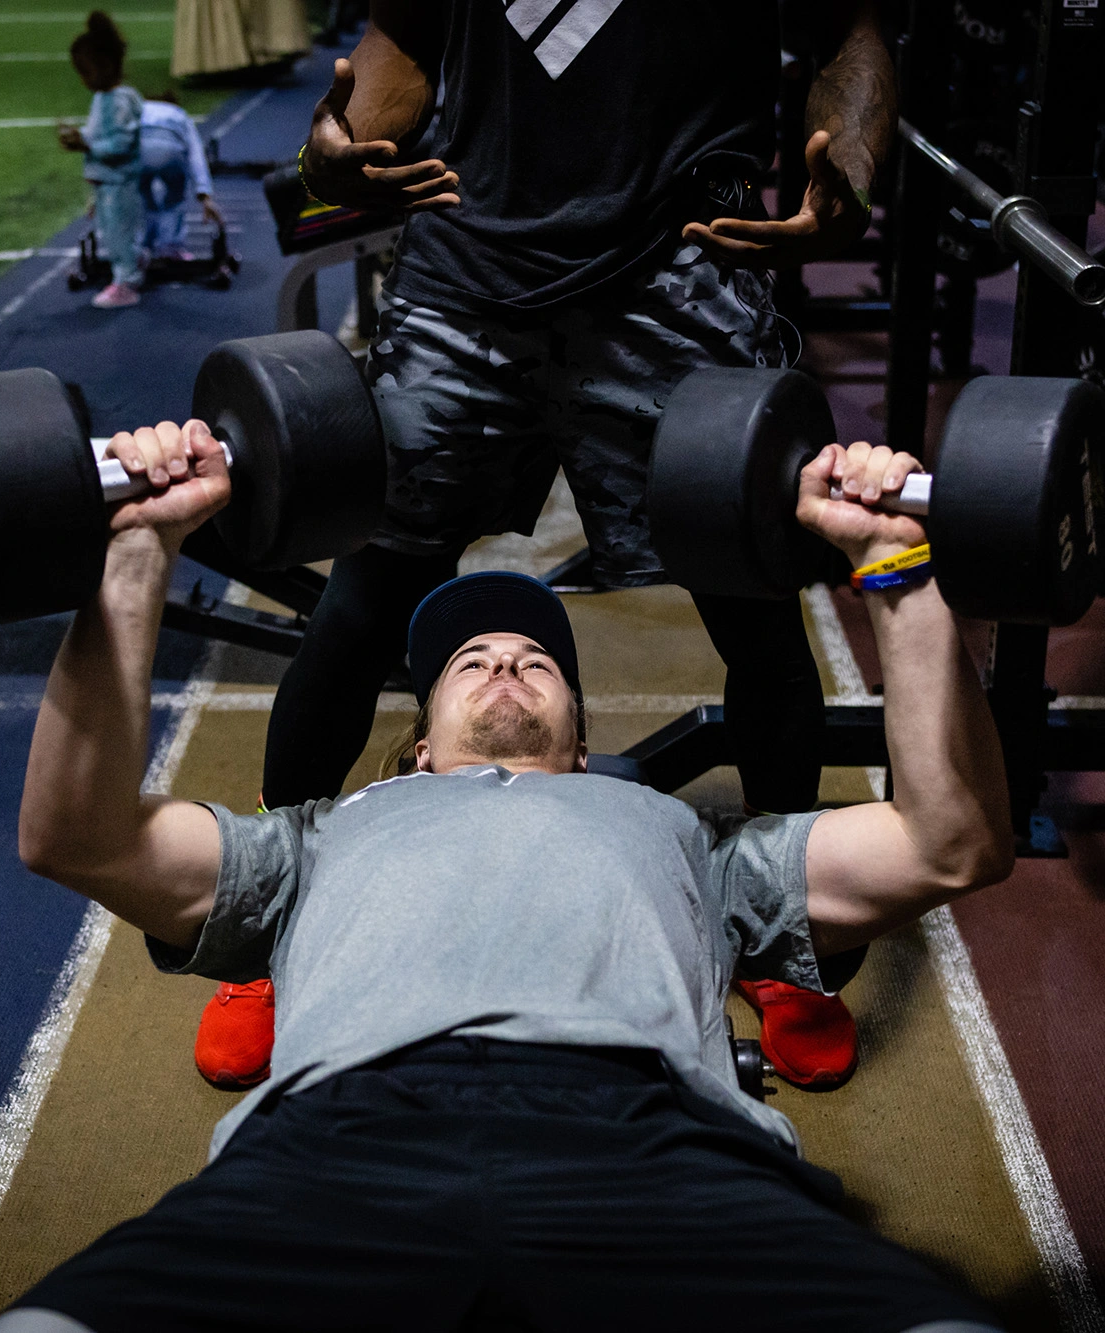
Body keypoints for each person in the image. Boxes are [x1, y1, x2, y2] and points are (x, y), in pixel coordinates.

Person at [0, 412, 1015, 1332]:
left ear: (579, 748)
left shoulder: (682, 835)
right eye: (468, 660)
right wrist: (133, 557)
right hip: (338, 1147)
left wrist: (897, 565)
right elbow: (76, 837)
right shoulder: (317, 837)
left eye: (535, 660)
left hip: (653, 1146)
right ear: (421, 747)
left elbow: (950, 841)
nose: (503, 663)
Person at [196, 0, 898, 1092]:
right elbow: (393, 70)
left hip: (679, 273)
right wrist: (330, 156)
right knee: (367, 597)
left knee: (753, 610)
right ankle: (263, 925)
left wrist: (847, 165)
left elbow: (843, 29)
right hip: (468, 283)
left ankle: (783, 938)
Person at [58, 12, 146, 309]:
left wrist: (86, 143)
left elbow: (120, 144)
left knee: (117, 234)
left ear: (105, 66)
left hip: (118, 181)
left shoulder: (119, 100)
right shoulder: (103, 97)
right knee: (113, 232)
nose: (83, 80)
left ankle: (127, 282)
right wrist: (80, 137)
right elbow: (100, 134)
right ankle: (134, 261)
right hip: (108, 180)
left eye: (86, 72)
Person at [138, 95, 225, 260]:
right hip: (170, 149)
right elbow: (195, 153)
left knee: (141, 195)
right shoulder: (179, 113)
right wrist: (204, 194)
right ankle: (171, 247)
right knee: (174, 197)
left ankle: (142, 246)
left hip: (138, 149)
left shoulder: (138, 109)